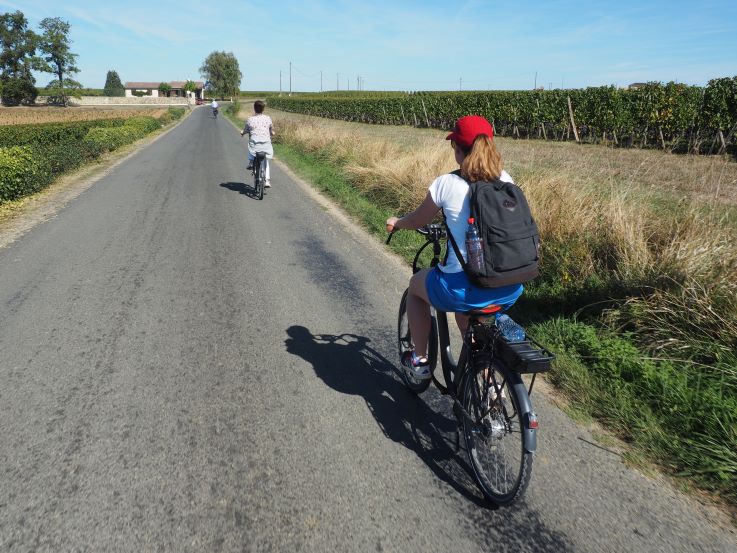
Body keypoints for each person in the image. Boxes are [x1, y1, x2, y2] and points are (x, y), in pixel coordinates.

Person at [386, 115, 524, 379]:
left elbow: (418, 219)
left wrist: (398, 223)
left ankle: (420, 360)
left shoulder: (446, 184)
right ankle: (490, 390)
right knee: (471, 321)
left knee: (416, 287)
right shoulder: (507, 180)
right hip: (510, 286)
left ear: (459, 150)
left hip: (462, 288)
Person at [240, 100, 275, 187]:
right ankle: (267, 181)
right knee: (266, 161)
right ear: (263, 109)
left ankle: (251, 162)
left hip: (255, 143)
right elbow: (271, 130)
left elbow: (246, 130)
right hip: (266, 144)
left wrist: (242, 133)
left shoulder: (250, 119)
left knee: (251, 147)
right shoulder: (268, 118)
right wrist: (272, 133)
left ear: (254, 108)